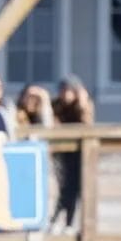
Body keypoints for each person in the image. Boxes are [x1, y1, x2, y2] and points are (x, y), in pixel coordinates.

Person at [50, 75, 94, 231]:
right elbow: (51, 124)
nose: (66, 94)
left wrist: (82, 105)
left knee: (75, 188)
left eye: (69, 91)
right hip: (61, 152)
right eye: (63, 90)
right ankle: (55, 220)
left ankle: (69, 222)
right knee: (64, 187)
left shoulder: (82, 105)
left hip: (79, 153)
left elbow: (87, 125)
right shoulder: (55, 105)